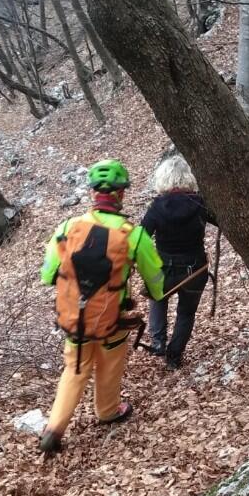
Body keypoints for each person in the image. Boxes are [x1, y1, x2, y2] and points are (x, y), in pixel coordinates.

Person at [38, 159, 166, 453]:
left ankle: (54, 427)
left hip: (75, 319)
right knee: (110, 366)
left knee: (75, 369)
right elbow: (157, 280)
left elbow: (47, 275)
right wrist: (155, 292)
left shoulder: (68, 227)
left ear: (92, 193)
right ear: (121, 194)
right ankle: (108, 411)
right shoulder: (133, 235)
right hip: (112, 318)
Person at [141, 155, 217, 370]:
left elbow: (142, 236)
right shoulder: (199, 203)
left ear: (164, 179)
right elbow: (224, 221)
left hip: (164, 270)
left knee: (157, 297)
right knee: (186, 313)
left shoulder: (157, 207)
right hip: (195, 270)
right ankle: (173, 357)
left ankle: (158, 342)